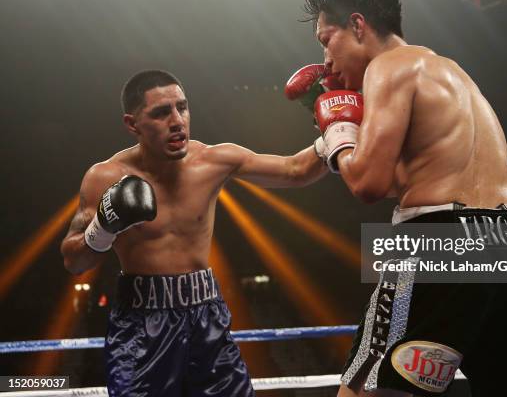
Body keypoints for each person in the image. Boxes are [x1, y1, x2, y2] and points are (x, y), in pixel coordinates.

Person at [286, 0, 507, 397]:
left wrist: (338, 129)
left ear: (357, 25)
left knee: (369, 389)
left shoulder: (387, 67)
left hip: (441, 241)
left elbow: (368, 184)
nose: (326, 60)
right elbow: (403, 180)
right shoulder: (452, 73)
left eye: (326, 39)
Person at [60, 70, 328, 396]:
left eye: (182, 107)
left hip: (206, 316)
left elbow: (294, 171)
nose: (177, 120)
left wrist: (335, 129)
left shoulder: (213, 160)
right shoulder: (104, 177)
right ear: (133, 125)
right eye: (161, 113)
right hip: (142, 325)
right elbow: (74, 262)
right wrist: (103, 227)